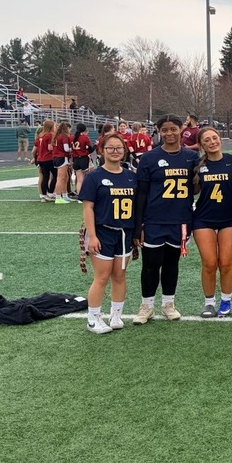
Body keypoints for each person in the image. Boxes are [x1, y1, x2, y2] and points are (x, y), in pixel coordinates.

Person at [132, 114, 198, 324]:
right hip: (154, 219)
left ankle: (168, 304)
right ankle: (147, 306)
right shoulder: (149, 158)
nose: (169, 133)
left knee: (172, 263)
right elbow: (141, 193)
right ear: (159, 132)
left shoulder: (191, 157)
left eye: (173, 129)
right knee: (150, 264)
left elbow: (196, 187)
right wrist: (138, 224)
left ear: (181, 130)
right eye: (165, 130)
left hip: (180, 219)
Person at [79, 132, 136, 334]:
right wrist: (92, 236)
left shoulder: (131, 176)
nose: (114, 151)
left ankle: (116, 314)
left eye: (118, 148)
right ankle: (93, 319)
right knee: (102, 276)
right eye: (110, 148)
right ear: (102, 151)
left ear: (124, 151)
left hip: (124, 233)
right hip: (103, 232)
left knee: (120, 275)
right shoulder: (94, 176)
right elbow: (88, 208)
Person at [192, 127, 232, 318]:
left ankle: (226, 301)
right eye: (207, 140)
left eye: (215, 138)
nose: (212, 142)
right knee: (209, 263)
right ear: (202, 145)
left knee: (226, 263)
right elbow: (193, 191)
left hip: (229, 218)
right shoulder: (197, 164)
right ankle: (209, 302)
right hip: (203, 218)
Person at [34, 120, 57, 201]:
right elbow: (49, 148)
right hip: (48, 158)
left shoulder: (40, 136)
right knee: (55, 175)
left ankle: (43, 195)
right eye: (54, 126)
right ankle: (50, 193)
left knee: (45, 177)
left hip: (40, 158)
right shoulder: (49, 135)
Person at [51, 122, 73, 203]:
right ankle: (58, 197)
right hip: (62, 157)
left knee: (65, 177)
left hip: (56, 157)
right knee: (61, 178)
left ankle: (64, 195)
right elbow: (66, 149)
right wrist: (73, 149)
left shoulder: (56, 136)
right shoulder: (64, 136)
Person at [71, 123, 94, 197]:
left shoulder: (72, 138)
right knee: (85, 178)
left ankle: (79, 195)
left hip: (75, 159)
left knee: (79, 179)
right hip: (83, 159)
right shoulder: (85, 138)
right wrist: (96, 145)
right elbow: (90, 150)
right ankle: (84, 194)